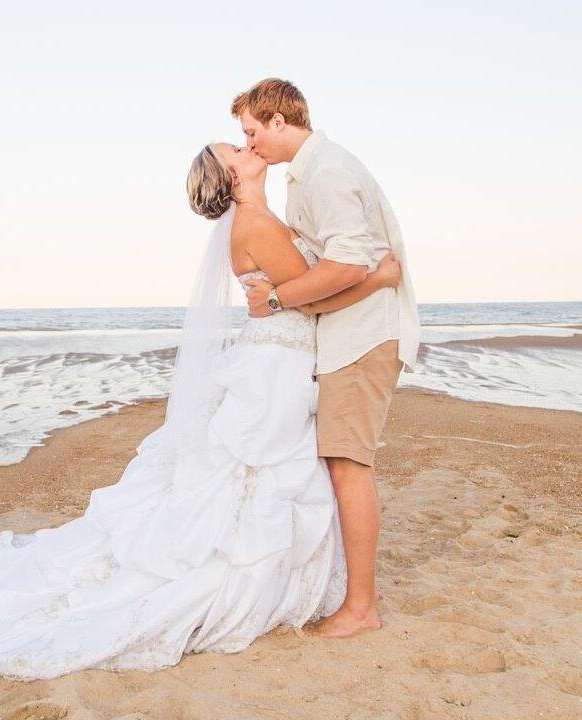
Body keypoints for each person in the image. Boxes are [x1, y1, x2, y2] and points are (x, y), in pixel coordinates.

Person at [0, 137, 402, 680]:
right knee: (252, 474)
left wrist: (309, 287)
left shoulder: (265, 222)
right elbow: (309, 299)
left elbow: (290, 292)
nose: (247, 145)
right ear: (234, 176)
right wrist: (377, 278)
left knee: (254, 475)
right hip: (277, 363)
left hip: (278, 359)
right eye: (235, 146)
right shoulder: (258, 224)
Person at [232, 78, 420, 638]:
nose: (249, 143)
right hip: (344, 335)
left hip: (362, 336)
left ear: (278, 122)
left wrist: (275, 298)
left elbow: (348, 266)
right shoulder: (307, 175)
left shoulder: (328, 172)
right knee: (339, 464)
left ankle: (361, 609)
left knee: (347, 465)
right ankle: (352, 599)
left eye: (251, 131)